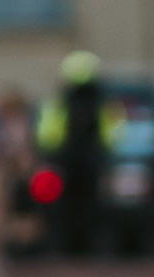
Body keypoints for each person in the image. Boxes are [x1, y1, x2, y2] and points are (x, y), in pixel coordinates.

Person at [40, 49, 106, 259]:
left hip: (65, 161)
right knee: (90, 206)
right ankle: (88, 247)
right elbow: (113, 132)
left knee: (64, 207)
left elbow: (47, 133)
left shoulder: (61, 101)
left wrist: (51, 153)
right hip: (92, 162)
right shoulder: (101, 101)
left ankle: (64, 247)